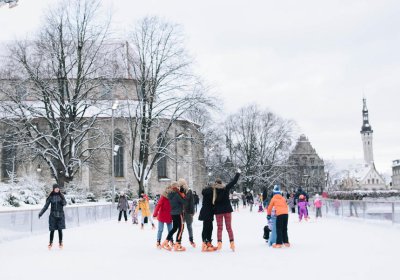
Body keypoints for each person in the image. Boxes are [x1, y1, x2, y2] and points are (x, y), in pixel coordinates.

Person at [213, 169, 241, 251]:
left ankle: (219, 243)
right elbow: (234, 181)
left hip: (218, 212)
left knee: (219, 228)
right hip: (227, 210)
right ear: (221, 183)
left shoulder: (213, 190)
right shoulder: (226, 188)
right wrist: (238, 173)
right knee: (229, 227)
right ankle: (232, 244)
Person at [38, 184, 67, 249]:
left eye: (58, 188)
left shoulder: (61, 196)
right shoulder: (51, 197)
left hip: (60, 215)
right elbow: (46, 206)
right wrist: (41, 213)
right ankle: (50, 243)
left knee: (60, 229)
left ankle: (60, 242)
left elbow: (65, 203)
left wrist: (63, 200)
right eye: (56, 188)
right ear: (53, 189)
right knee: (52, 230)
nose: (57, 189)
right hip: (53, 216)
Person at [162, 182, 187, 251]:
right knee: (181, 228)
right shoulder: (177, 194)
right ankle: (178, 243)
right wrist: (183, 195)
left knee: (175, 228)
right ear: (176, 187)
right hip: (179, 213)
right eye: (178, 186)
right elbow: (184, 202)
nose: (179, 187)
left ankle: (166, 241)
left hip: (173, 213)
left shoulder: (170, 194)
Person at [199, 183, 218, 252]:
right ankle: (206, 243)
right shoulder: (211, 192)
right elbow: (213, 202)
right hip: (208, 211)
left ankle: (207, 242)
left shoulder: (206, 192)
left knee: (207, 227)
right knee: (208, 227)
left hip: (205, 211)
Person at [178, 178, 196, 248]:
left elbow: (191, 202)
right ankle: (182, 240)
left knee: (185, 227)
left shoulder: (188, 191)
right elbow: (191, 202)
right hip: (183, 211)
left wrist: (192, 211)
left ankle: (187, 240)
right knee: (185, 227)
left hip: (185, 211)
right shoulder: (181, 191)